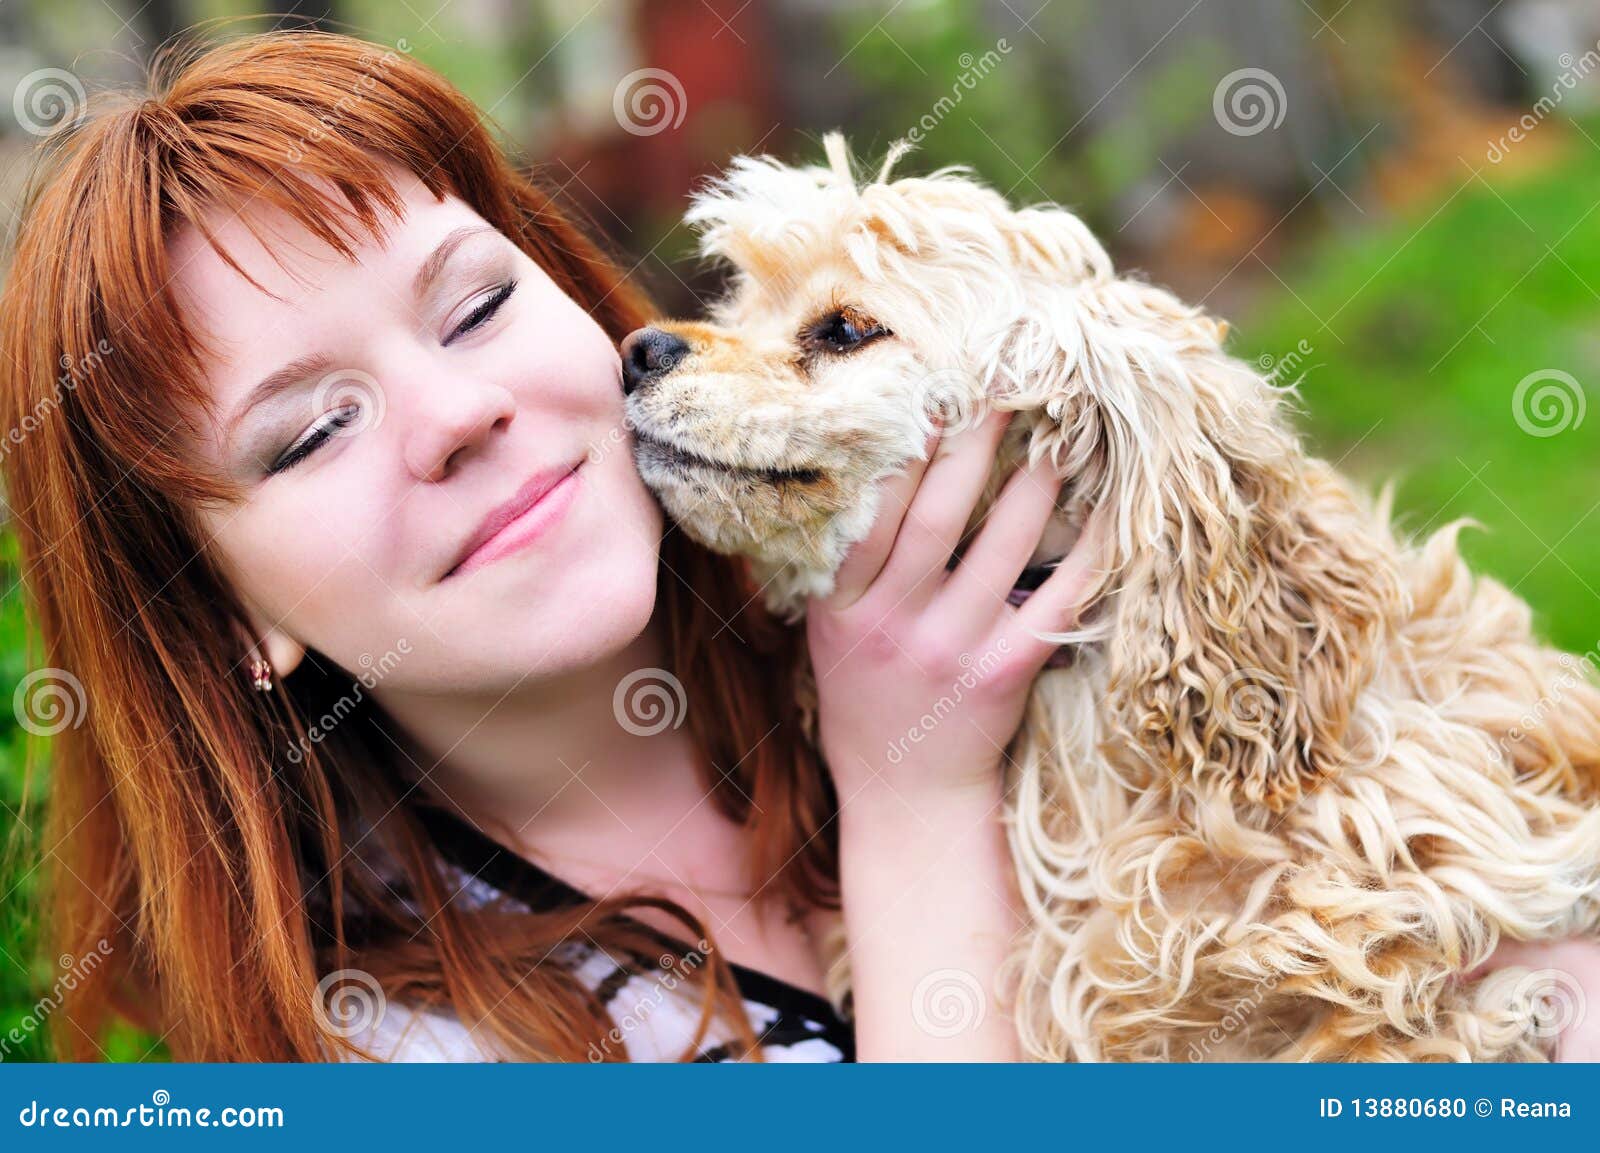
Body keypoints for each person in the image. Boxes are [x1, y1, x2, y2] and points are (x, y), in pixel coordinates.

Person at [2, 29, 1592, 1063]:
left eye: (475, 303)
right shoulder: (392, 1049)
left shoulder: (902, 576)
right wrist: (913, 799)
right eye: (307, 432)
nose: (458, 413)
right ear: (216, 622)